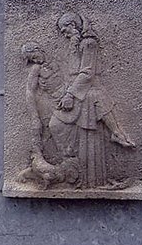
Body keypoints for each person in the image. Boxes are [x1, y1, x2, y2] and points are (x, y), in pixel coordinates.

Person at [48, 10, 135, 189]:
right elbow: (70, 71)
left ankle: (116, 134)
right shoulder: (74, 44)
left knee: (57, 124)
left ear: (74, 26)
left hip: (87, 92)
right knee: (54, 124)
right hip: (73, 91)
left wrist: (70, 94)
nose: (64, 34)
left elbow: (87, 72)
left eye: (65, 30)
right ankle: (71, 159)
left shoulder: (89, 43)